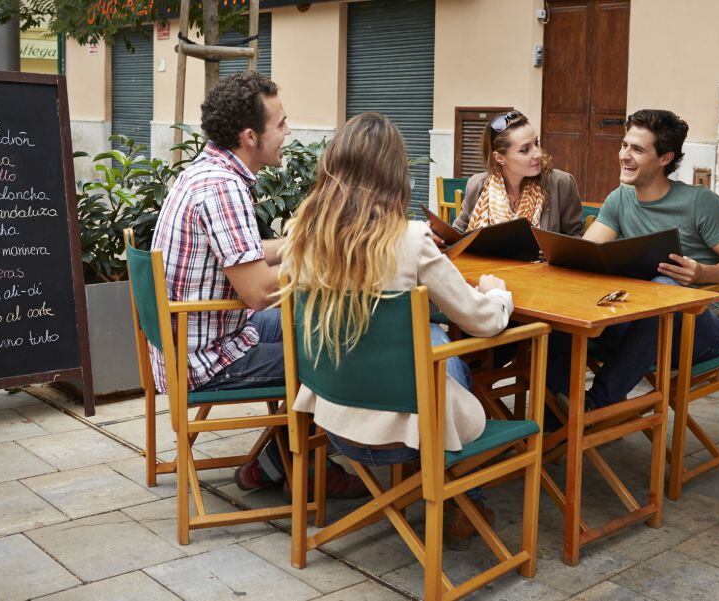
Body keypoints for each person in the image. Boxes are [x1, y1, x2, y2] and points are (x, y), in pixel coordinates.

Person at [283, 112, 515, 541]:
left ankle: (452, 498)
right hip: (406, 434)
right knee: (440, 342)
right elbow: (482, 321)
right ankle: (462, 497)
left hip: (333, 423)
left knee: (430, 337)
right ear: (395, 173)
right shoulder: (410, 240)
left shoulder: (303, 232)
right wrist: (498, 294)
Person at [151, 71, 365, 498]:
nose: (288, 132)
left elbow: (240, 254)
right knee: (333, 353)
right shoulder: (223, 188)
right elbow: (260, 292)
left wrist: (303, 241)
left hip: (188, 342)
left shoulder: (204, 172)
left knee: (315, 331)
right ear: (251, 136)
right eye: (281, 124)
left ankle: (270, 465)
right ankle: (299, 469)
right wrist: (329, 265)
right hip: (206, 357)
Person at [556, 109, 719, 409]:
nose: (625, 155)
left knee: (663, 286)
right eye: (624, 145)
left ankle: (595, 405)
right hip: (639, 323)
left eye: (637, 149)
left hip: (704, 330)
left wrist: (701, 273)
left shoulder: (699, 202)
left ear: (665, 158)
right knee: (560, 302)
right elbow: (586, 256)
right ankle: (554, 406)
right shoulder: (620, 199)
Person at [452, 110, 584, 236]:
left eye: (536, 143)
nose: (538, 154)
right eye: (525, 149)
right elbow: (458, 232)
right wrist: (438, 236)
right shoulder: (477, 185)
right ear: (499, 157)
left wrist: (552, 250)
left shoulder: (560, 183)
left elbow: (576, 238)